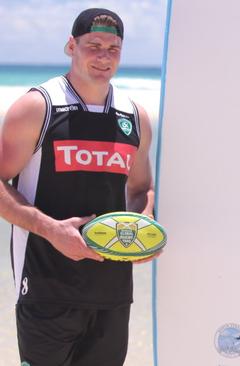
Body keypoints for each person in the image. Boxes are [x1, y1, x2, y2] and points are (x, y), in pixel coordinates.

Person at [0, 8, 157, 365]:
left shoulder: (134, 117)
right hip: (46, 287)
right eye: (93, 45)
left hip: (112, 292)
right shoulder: (38, 107)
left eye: (113, 49)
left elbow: (140, 187)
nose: (103, 57)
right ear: (71, 46)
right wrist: (51, 230)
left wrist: (143, 224)